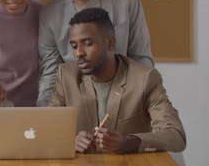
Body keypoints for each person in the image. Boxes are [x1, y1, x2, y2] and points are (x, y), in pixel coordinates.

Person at [49, 8, 185, 154]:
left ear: (110, 43)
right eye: (74, 46)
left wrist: (128, 142)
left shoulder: (144, 78)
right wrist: (71, 141)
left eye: (87, 43)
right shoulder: (66, 76)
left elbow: (175, 136)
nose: (79, 53)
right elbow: (46, 130)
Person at [37, 0, 153, 106]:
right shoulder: (49, 14)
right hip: (79, 104)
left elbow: (140, 57)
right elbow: (51, 73)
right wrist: (44, 113)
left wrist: (143, 100)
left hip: (126, 96)